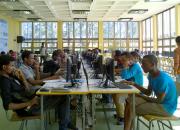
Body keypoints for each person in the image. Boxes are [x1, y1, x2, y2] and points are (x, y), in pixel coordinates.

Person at [0, 55, 76, 130]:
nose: (14, 68)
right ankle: (64, 125)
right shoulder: (4, 82)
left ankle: (65, 123)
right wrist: (29, 103)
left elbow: (27, 88)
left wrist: (22, 78)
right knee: (64, 97)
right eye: (12, 66)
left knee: (62, 95)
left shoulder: (11, 77)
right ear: (4, 67)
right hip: (28, 109)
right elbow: (8, 106)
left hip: (31, 100)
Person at [124, 55, 177, 130]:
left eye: (144, 64)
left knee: (133, 108)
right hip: (158, 103)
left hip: (166, 108)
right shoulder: (151, 75)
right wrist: (134, 84)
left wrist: (141, 96)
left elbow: (159, 100)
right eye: (142, 64)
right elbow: (148, 92)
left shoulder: (162, 79)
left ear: (152, 65)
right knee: (130, 100)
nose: (142, 66)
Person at [112, 51, 143, 125]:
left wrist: (125, 66)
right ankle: (120, 112)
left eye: (124, 60)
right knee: (113, 92)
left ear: (129, 59)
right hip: (130, 86)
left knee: (118, 95)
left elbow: (126, 76)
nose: (122, 62)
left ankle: (123, 116)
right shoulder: (131, 65)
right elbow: (123, 76)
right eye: (121, 60)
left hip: (136, 89)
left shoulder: (135, 66)